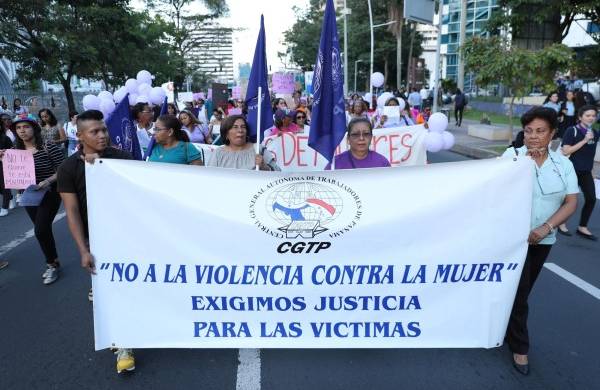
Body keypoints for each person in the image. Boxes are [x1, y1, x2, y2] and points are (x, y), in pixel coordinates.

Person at [56, 109, 135, 374]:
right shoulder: (68, 168)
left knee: (128, 289)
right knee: (111, 292)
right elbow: (72, 212)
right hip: (98, 241)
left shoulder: (122, 158)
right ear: (79, 136)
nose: (102, 135)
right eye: (94, 131)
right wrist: (83, 250)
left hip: (128, 235)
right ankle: (122, 344)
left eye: (104, 130)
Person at [501, 106, 578, 375]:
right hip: (512, 241)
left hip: (542, 240)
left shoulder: (563, 165)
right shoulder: (512, 156)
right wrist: (520, 164)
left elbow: (571, 202)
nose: (533, 136)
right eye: (529, 131)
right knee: (520, 296)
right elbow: (491, 189)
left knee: (521, 292)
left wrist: (546, 228)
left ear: (553, 134)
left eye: (540, 131)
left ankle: (504, 327)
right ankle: (520, 348)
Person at [2, 114, 65, 284]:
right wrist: (4, 159)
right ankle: (54, 261)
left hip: (49, 193)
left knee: (40, 230)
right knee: (43, 231)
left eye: (26, 126)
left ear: (34, 128)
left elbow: (63, 169)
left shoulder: (48, 146)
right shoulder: (14, 153)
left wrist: (47, 181)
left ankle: (51, 265)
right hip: (29, 195)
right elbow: (11, 173)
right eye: (18, 128)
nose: (22, 131)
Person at [558, 105, 599, 240]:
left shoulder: (595, 133)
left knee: (591, 199)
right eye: (588, 115)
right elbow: (566, 151)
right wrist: (584, 140)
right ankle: (561, 223)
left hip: (586, 171)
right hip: (572, 170)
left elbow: (590, 154)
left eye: (593, 115)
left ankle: (582, 227)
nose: (591, 118)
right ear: (580, 117)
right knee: (570, 200)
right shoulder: (572, 131)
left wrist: (592, 170)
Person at [207, 115, 279, 171]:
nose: (240, 130)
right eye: (235, 127)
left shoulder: (258, 149)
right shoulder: (218, 153)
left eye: (243, 127)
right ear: (226, 134)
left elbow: (278, 173)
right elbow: (209, 177)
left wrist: (264, 167)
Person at [326, 118, 391, 170]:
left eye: (366, 134)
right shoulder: (334, 164)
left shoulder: (382, 163)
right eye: (355, 134)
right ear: (348, 139)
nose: (361, 138)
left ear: (371, 137)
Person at [0, 127, 13, 216]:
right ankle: (10, 197)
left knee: (4, 185)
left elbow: (13, 151)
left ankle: (5, 207)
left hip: (3, 165)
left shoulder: (5, 138)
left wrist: (4, 152)